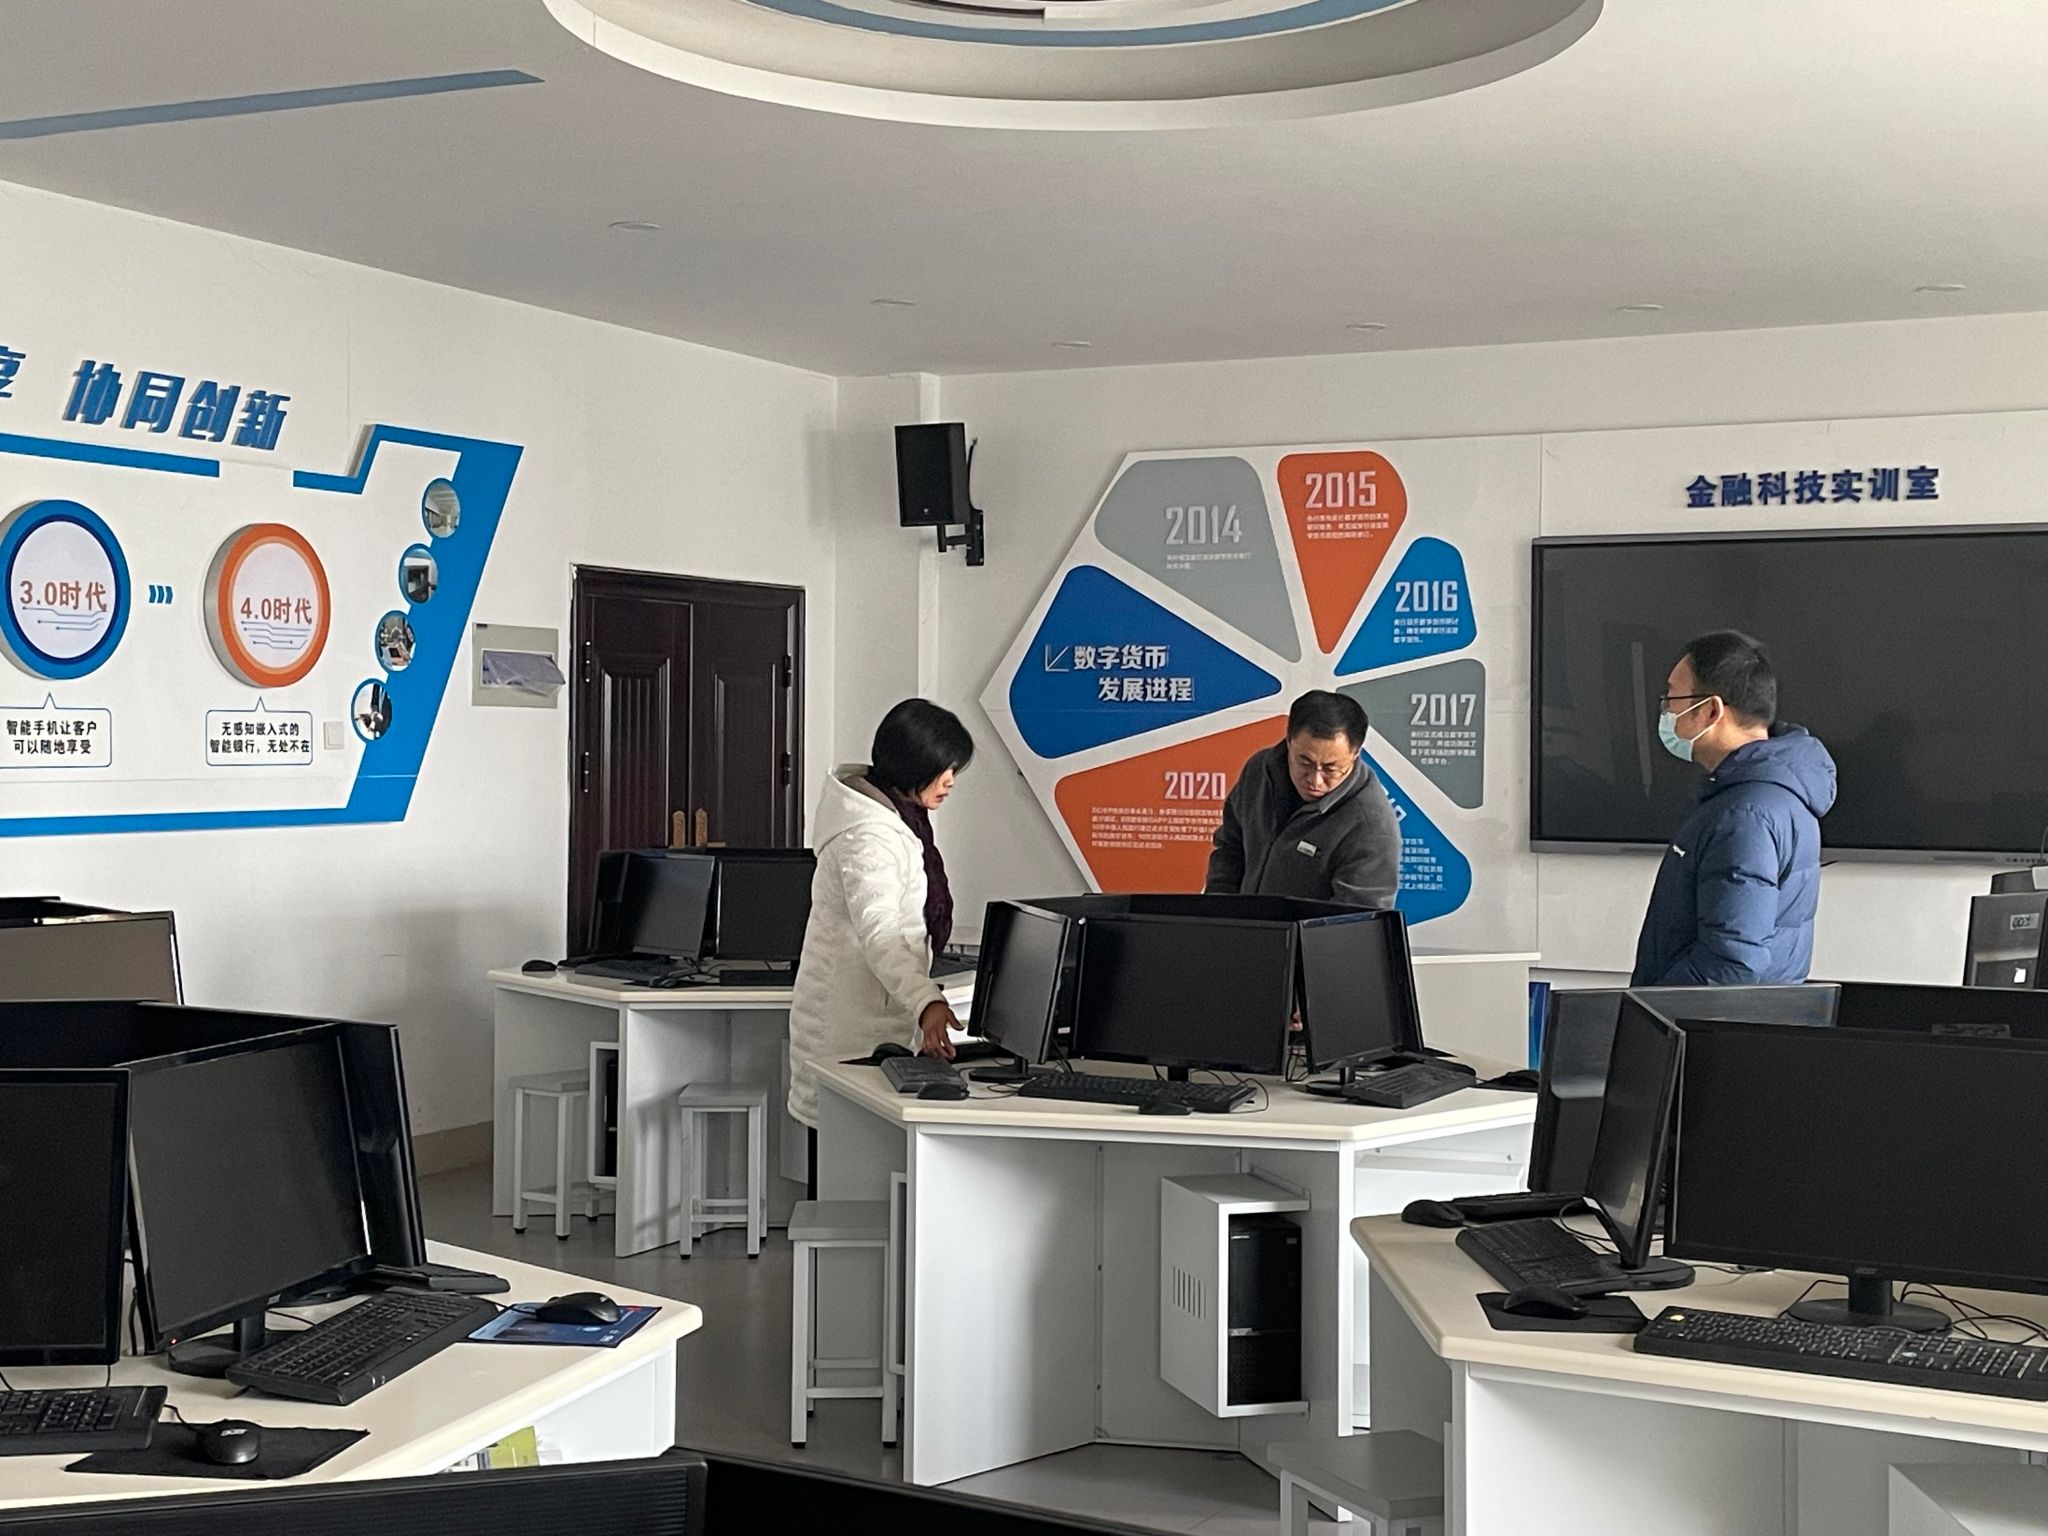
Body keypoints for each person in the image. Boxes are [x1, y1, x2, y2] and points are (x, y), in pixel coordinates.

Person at [788, 698, 972, 1194]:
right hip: (849, 1030)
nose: (951, 781)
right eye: (944, 769)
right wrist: (927, 1002)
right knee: (844, 1186)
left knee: (861, 1178)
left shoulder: (898, 819)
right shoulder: (869, 836)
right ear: (913, 765)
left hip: (873, 1020)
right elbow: (882, 931)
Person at [1631, 631, 1837, 986]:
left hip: (1700, 1018)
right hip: (1739, 1014)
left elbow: (1730, 963)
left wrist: (1650, 1008)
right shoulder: (1767, 796)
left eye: (1672, 697)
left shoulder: (1745, 815)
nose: (1666, 710)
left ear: (1711, 711)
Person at [1205, 690, 1401, 909]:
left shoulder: (1371, 826)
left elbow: (1357, 919)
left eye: (1331, 769)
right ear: (1289, 741)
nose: (1315, 780)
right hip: (1243, 927)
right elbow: (1230, 849)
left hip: (1311, 932)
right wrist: (1220, 911)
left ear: (1355, 755)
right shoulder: (1259, 772)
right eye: (1304, 763)